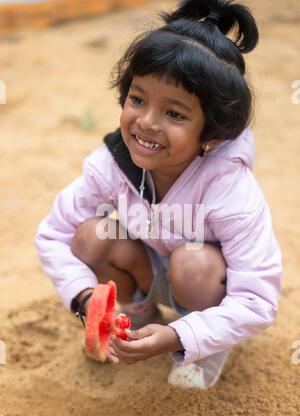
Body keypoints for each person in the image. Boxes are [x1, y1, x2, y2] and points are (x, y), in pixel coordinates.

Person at [35, 0, 282, 389]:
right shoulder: (111, 164)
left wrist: (180, 336)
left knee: (192, 262)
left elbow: (258, 301)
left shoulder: (229, 189)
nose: (146, 123)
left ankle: (202, 345)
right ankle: (137, 317)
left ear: (212, 134)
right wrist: (84, 297)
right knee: (91, 235)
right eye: (138, 99)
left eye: (175, 114)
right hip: (149, 266)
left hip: (204, 285)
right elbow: (53, 234)